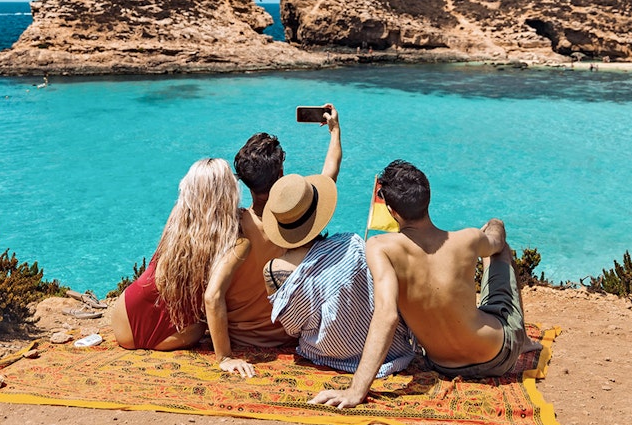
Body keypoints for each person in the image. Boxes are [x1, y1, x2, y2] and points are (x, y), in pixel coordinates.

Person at [310, 160, 538, 409]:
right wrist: (494, 226)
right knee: (500, 248)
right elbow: (496, 241)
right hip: (499, 354)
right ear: (427, 199)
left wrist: (356, 391)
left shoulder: (381, 247)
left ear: (392, 210)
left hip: (443, 364)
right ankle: (522, 340)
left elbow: (386, 315)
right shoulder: (468, 238)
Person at [203, 104, 342, 377]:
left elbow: (212, 296)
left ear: (244, 181)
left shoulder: (231, 226)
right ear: (280, 175)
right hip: (289, 338)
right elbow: (330, 174)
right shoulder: (300, 222)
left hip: (240, 340)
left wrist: (225, 356)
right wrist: (335, 132)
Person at [261, 173, 416, 377]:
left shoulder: (273, 272)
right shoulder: (351, 244)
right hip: (388, 355)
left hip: (323, 355)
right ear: (317, 213)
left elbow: (292, 329)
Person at [109, 158, 240, 350]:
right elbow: (214, 296)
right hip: (179, 331)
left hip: (126, 320)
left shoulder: (178, 216)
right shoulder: (232, 233)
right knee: (201, 322)